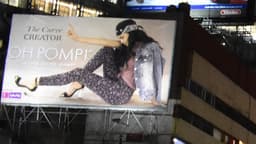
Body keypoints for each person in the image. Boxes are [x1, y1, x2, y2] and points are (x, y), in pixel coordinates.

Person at [14, 20, 165, 105]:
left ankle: (36, 82)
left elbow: (150, 74)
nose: (120, 40)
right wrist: (78, 38)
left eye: (122, 37)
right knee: (107, 49)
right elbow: (102, 41)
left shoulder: (144, 51)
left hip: (119, 94)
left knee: (79, 72)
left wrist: (153, 98)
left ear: (131, 33)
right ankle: (79, 83)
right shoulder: (126, 46)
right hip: (115, 81)